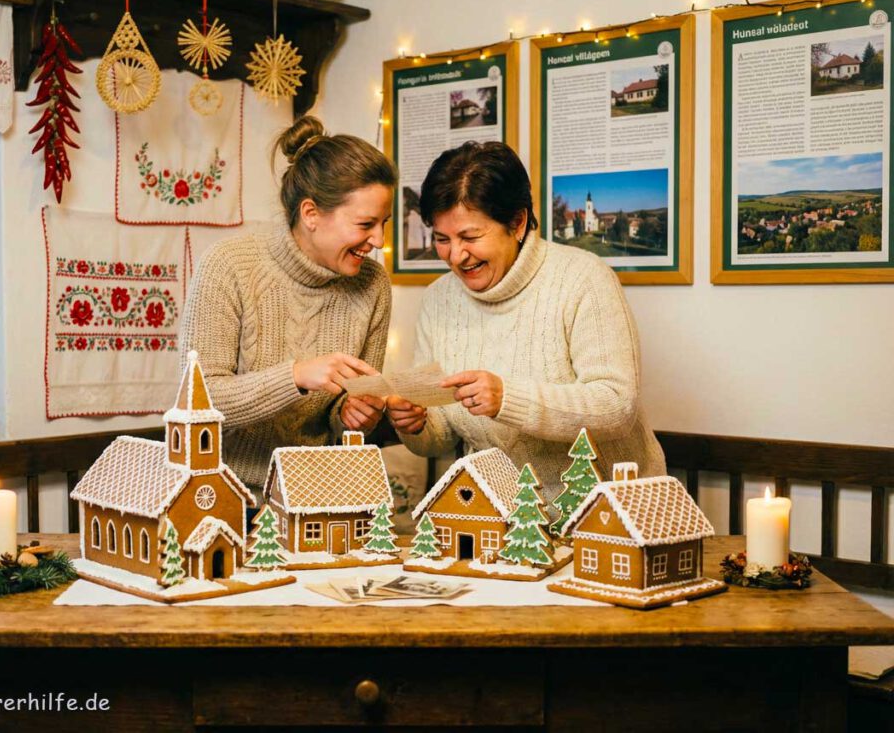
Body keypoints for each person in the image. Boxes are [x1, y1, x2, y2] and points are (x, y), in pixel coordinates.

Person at [387, 141, 665, 508]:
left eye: (470, 237)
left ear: (517, 223)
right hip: (501, 518)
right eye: (442, 239)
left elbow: (617, 406)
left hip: (610, 514)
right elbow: (440, 434)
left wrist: (507, 398)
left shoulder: (584, 279)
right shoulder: (439, 299)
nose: (455, 256)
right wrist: (417, 422)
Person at [179, 116, 396, 494]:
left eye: (384, 223)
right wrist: (295, 377)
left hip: (313, 496)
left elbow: (344, 420)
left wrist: (353, 415)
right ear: (311, 214)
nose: (378, 240)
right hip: (222, 495)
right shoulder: (228, 266)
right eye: (366, 224)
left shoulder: (373, 285)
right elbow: (195, 402)